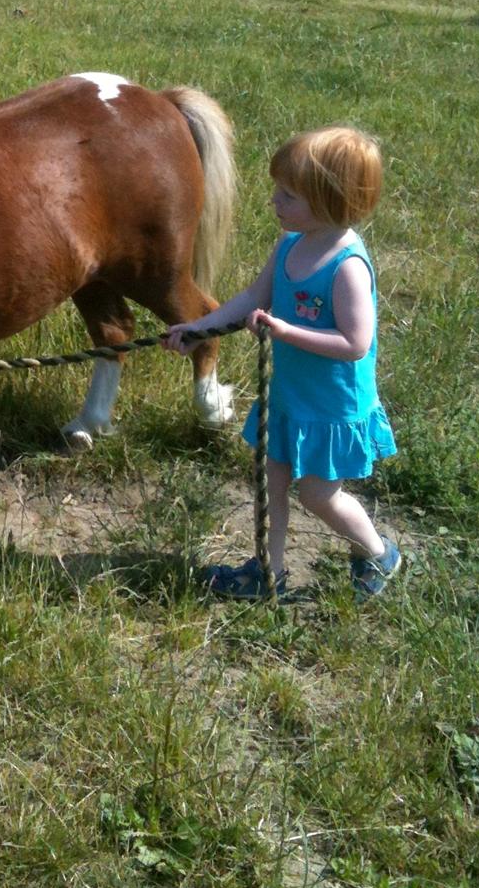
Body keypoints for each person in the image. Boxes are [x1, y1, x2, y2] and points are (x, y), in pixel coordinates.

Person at [164, 126, 400, 601]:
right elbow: (255, 296)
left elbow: (355, 342)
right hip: (289, 398)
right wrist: (200, 328)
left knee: (318, 495)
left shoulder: (347, 266)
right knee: (271, 487)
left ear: (330, 201)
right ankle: (267, 573)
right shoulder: (291, 245)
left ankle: (377, 552)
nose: (274, 200)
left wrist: (286, 331)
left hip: (330, 406)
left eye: (288, 195)